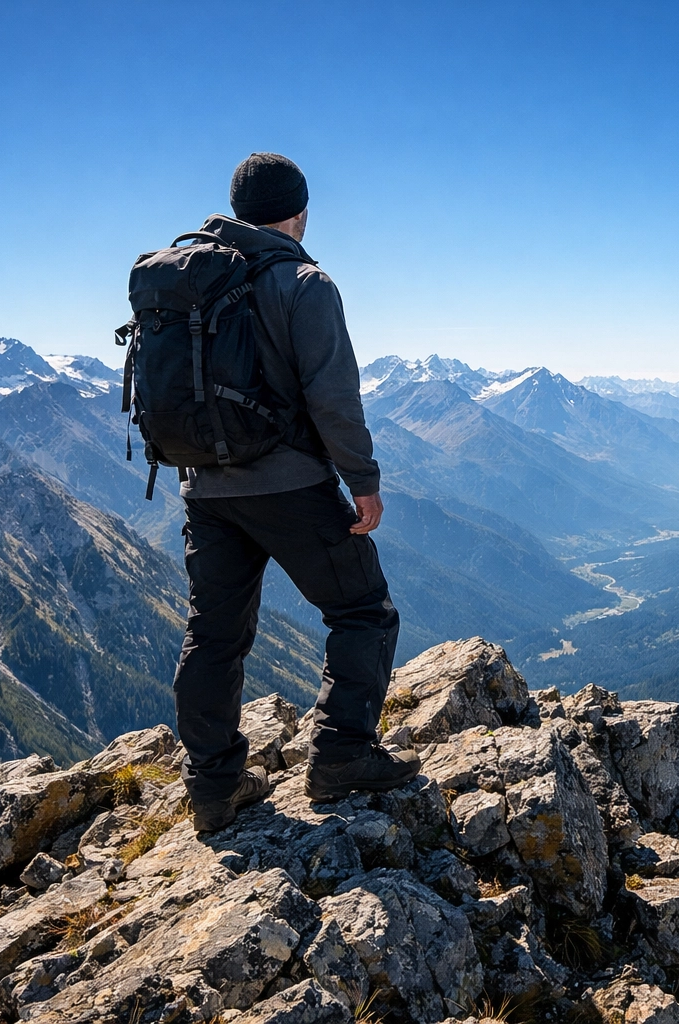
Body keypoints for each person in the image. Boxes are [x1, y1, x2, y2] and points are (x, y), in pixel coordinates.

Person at [173, 152, 419, 833]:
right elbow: (334, 400)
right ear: (300, 214)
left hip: (204, 489)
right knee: (364, 609)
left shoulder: (192, 279)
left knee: (214, 634)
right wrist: (363, 483)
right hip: (289, 484)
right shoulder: (303, 282)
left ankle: (214, 787)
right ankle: (341, 754)